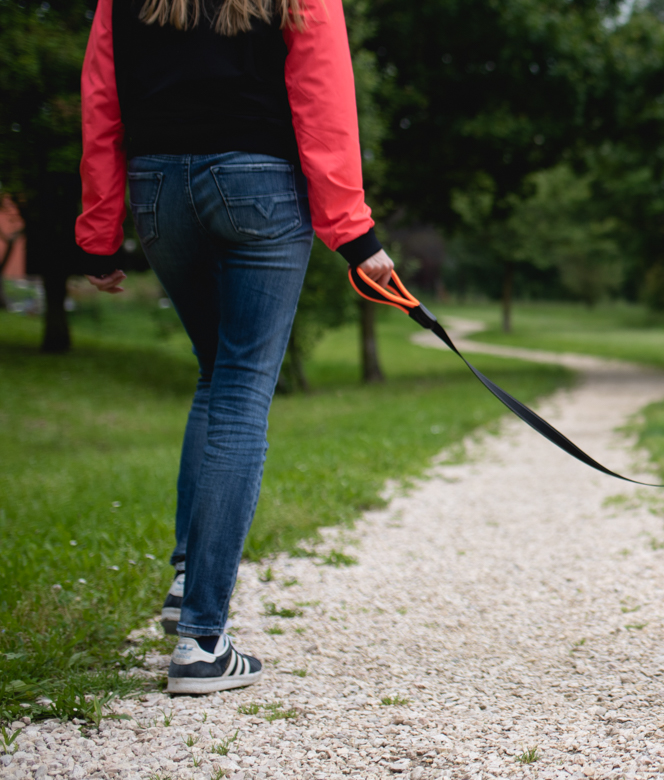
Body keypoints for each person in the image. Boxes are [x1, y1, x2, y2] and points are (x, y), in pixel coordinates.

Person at [75, 0, 392, 694]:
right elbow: (323, 94)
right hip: (259, 185)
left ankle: (189, 578)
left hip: (159, 189)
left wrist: (99, 231)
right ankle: (201, 642)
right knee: (243, 391)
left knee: (217, 374)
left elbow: (101, 100)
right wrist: (354, 232)